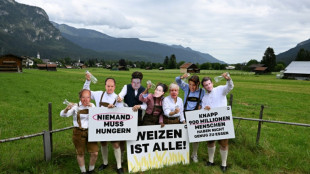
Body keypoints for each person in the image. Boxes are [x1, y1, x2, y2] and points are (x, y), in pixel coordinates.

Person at [83, 76, 124, 174]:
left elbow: (122, 112)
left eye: (112, 86)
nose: (110, 88)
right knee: (103, 143)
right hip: (100, 124)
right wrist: (88, 81)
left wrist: (115, 107)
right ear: (105, 86)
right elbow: (86, 92)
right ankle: (105, 163)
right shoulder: (98, 94)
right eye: (108, 86)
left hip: (113, 125)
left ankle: (119, 166)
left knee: (115, 144)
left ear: (115, 87)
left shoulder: (117, 98)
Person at [201, 72, 234, 172]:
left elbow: (230, 87)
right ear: (204, 87)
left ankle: (223, 164)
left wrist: (228, 79)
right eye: (206, 85)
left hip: (222, 121)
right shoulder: (204, 97)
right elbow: (202, 110)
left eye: (209, 83)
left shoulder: (220, 89)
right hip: (210, 122)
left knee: (224, 143)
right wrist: (204, 109)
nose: (208, 86)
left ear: (212, 83)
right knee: (210, 142)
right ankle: (211, 161)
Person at [60, 89, 98, 174]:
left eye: (88, 97)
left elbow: (97, 116)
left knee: (95, 152)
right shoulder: (75, 107)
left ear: (90, 98)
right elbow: (63, 115)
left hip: (91, 132)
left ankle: (91, 170)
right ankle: (83, 172)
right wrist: (67, 108)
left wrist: (91, 107)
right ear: (80, 98)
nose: (86, 99)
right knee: (80, 153)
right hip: (78, 132)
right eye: (83, 97)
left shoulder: (92, 106)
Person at [175, 73, 205, 163]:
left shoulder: (202, 91)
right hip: (185, 113)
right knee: (184, 135)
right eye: (190, 84)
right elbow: (177, 80)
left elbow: (204, 101)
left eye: (194, 85)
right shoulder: (186, 87)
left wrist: (201, 105)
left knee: (196, 136)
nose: (191, 87)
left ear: (198, 84)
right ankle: (183, 154)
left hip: (195, 114)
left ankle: (194, 154)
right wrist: (182, 77)